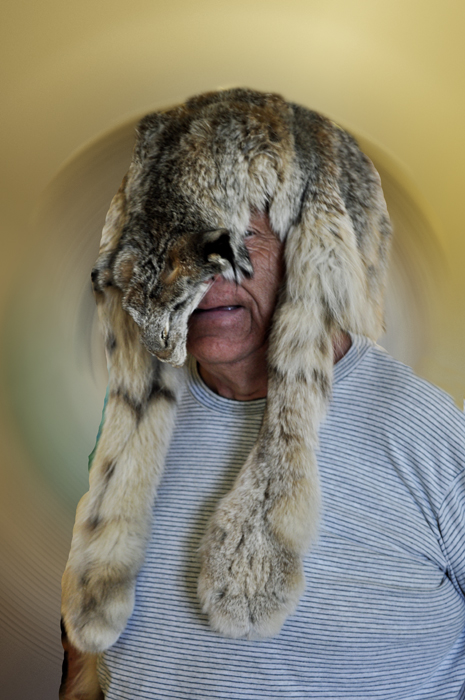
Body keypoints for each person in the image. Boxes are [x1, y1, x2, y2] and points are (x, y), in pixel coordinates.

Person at [60, 88, 465, 699]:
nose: (193, 278)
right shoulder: (134, 430)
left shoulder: (422, 431)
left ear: (310, 251)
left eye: (237, 241)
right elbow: (88, 648)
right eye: (170, 242)